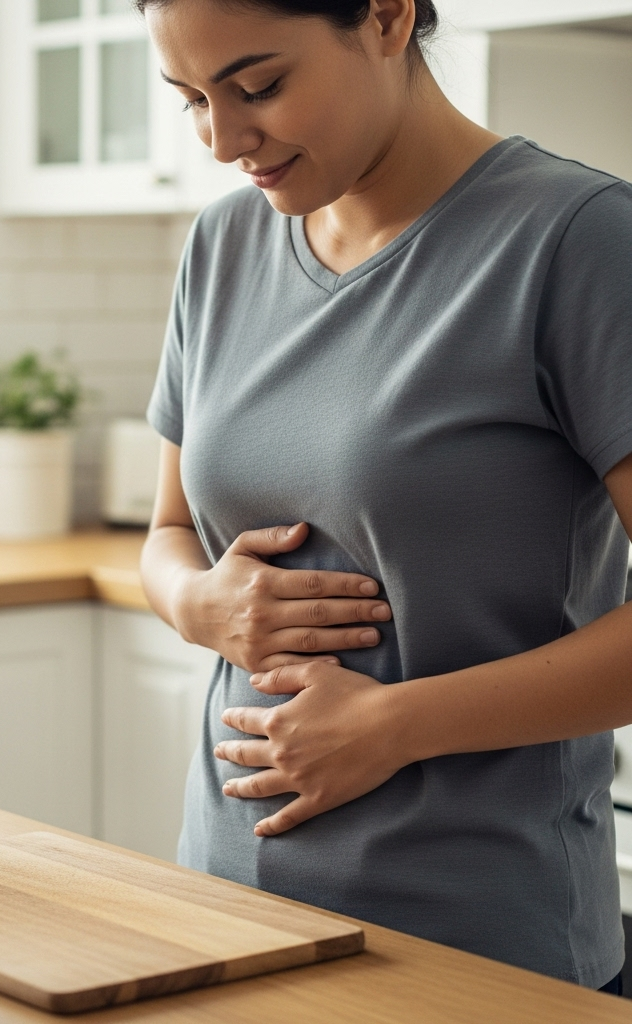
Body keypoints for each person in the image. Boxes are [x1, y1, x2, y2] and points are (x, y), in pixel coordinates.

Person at [137, 0, 632, 994]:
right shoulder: (223, 243)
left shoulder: (579, 241)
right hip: (221, 912)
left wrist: (395, 724)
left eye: (259, 86)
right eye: (191, 99)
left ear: (387, 16)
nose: (223, 141)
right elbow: (169, 531)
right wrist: (198, 604)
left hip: (479, 942)